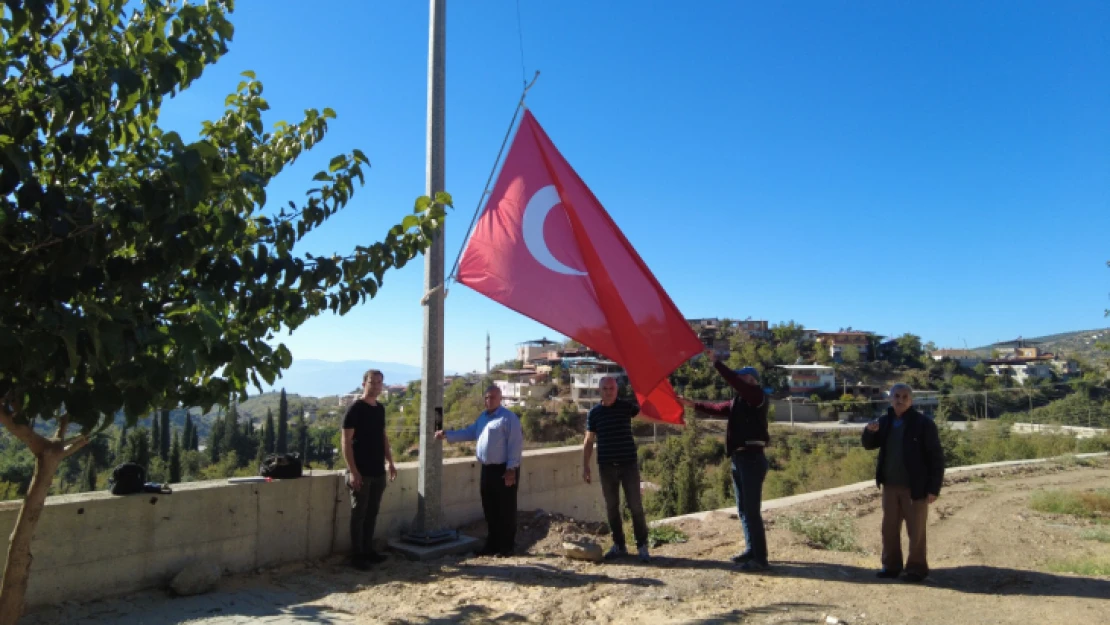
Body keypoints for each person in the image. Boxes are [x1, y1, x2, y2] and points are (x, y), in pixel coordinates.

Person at [677, 349, 770, 571]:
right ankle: (751, 550)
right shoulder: (738, 402)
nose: (737, 380)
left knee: (752, 511)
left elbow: (734, 382)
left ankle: (760, 559)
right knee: (744, 510)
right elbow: (715, 408)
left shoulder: (757, 396)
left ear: (752, 380)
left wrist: (717, 363)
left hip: (752, 459)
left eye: (742, 377)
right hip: (739, 459)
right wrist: (690, 404)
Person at [862, 383, 945, 583]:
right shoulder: (885, 421)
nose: (900, 400)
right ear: (890, 399)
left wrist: (934, 488)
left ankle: (916, 569)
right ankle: (890, 566)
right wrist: (869, 432)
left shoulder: (923, 424)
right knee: (889, 529)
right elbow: (868, 445)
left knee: (916, 530)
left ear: (911, 400)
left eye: (904, 397)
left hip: (915, 487)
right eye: (896, 396)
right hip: (890, 486)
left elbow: (936, 458)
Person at [435, 385, 524, 557]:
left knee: (505, 509)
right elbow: (470, 432)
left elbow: (515, 445)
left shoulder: (508, 418)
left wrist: (511, 469)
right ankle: (492, 544)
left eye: (492, 397)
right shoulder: (483, 417)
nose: (488, 401)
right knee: (489, 508)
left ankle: (507, 547)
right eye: (486, 397)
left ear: (500, 399)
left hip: (504, 469)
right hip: (487, 469)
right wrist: (448, 435)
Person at [582, 376, 651, 563]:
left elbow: (646, 415)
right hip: (606, 467)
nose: (608, 391)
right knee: (612, 508)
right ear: (599, 391)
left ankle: (642, 545)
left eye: (611, 388)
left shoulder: (626, 407)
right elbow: (589, 441)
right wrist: (585, 466)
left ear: (616, 390)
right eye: (604, 388)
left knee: (635, 506)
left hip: (628, 465)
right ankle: (619, 545)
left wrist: (667, 411)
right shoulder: (594, 413)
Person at [342, 369, 398, 570]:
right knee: (359, 514)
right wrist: (353, 471)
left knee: (372, 513)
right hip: (361, 472)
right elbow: (346, 442)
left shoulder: (380, 409)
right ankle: (357, 556)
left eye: (379, 382)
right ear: (363, 383)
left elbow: (383, 437)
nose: (375, 386)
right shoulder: (354, 409)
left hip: (377, 471)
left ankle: (368, 551)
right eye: (372, 382)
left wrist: (390, 462)